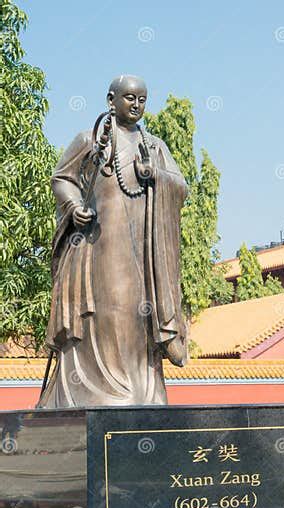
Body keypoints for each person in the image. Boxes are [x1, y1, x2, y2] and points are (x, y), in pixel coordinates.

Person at [37, 75, 188, 408]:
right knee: (109, 309)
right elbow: (62, 179)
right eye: (129, 98)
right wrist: (75, 207)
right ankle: (101, 390)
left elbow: (180, 186)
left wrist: (156, 177)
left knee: (140, 313)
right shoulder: (90, 141)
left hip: (145, 249)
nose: (136, 105)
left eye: (142, 100)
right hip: (101, 243)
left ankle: (143, 392)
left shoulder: (155, 147)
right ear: (111, 100)